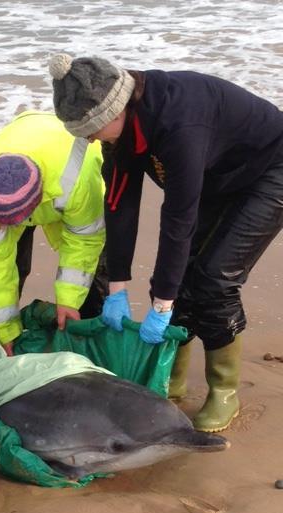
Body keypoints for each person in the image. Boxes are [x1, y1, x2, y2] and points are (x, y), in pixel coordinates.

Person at [49, 54, 283, 433]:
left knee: (213, 279)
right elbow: (120, 203)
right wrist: (117, 288)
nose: (89, 139)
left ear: (114, 112)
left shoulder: (180, 123)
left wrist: (161, 304)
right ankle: (169, 378)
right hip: (218, 174)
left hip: (271, 170)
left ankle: (224, 390)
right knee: (180, 273)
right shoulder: (121, 126)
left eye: (90, 130)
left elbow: (178, 221)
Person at [0, 110, 107, 355]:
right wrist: (4, 330)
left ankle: (92, 350)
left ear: (34, 209)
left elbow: (84, 242)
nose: (0, 228)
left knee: (94, 277)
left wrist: (69, 299)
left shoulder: (78, 181)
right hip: (26, 139)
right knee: (1, 274)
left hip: (71, 173)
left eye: (7, 223)